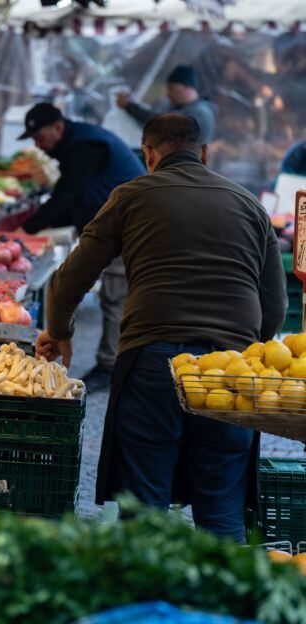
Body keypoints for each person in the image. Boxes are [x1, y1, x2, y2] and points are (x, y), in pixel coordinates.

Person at [35, 113, 286, 543]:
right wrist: (245, 352)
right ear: (204, 153)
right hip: (231, 372)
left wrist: (58, 330)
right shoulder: (248, 203)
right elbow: (275, 307)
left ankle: (146, 602)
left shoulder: (131, 195)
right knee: (222, 504)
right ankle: (227, 604)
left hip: (152, 362)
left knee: (144, 503)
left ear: (148, 155)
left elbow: (69, 278)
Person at [18, 103, 146, 390]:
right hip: (112, 226)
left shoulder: (84, 146)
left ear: (58, 128)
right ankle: (110, 362)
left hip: (126, 227)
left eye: (40, 138)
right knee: (106, 294)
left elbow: (66, 196)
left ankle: (111, 367)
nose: (39, 146)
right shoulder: (79, 142)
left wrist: (25, 229)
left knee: (115, 295)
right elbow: (72, 197)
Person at [116, 65, 218, 146]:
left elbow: (159, 123)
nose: (168, 94)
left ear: (187, 86)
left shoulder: (200, 111)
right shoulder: (181, 107)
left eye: (171, 88)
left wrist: (128, 106)